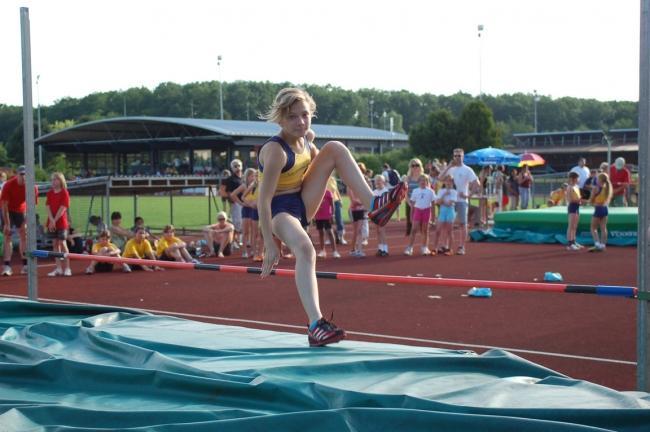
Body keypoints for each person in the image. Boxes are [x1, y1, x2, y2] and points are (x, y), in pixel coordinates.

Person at [256, 87, 406, 347]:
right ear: (280, 119)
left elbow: (317, 166)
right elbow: (263, 200)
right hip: (280, 210)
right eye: (292, 117)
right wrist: (270, 242)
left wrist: (327, 178)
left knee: (335, 147)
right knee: (306, 250)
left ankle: (375, 205)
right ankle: (316, 324)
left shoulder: (307, 138)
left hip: (302, 200)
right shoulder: (276, 152)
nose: (301, 122)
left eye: (305, 115)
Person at [440, 149, 479, 255]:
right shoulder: (450, 169)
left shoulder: (467, 170)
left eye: (459, 156)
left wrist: (468, 195)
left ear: (463, 157)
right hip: (449, 201)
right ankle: (445, 246)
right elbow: (440, 178)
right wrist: (448, 166)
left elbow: (477, 183)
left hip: (461, 200)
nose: (457, 157)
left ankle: (462, 247)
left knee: (462, 224)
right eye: (455, 156)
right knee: (447, 224)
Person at [1, 166, 38, 276]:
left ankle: (25, 265)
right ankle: (7, 266)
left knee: (24, 235)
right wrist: (7, 224)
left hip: (21, 210)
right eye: (21, 174)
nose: (24, 176)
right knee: (8, 235)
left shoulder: (32, 187)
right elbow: (4, 207)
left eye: (26, 174)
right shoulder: (8, 185)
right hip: (8, 210)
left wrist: (25, 223)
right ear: (16, 175)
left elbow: (32, 208)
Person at [45, 172, 72, 277]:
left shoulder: (65, 193)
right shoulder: (50, 193)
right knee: (55, 244)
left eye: (56, 179)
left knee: (62, 243)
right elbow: (47, 206)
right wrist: (51, 220)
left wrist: (54, 220)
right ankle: (58, 268)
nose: (53, 182)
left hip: (61, 223)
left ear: (61, 181)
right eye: (52, 180)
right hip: (51, 223)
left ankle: (67, 268)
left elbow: (63, 208)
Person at [404, 174, 436, 256]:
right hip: (417, 211)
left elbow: (433, 204)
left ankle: (424, 248)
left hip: (427, 211)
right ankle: (409, 248)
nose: (423, 182)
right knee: (414, 230)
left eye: (424, 180)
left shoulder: (431, 191)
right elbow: (412, 204)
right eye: (421, 180)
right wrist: (411, 216)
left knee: (425, 230)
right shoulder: (415, 191)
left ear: (427, 182)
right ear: (418, 182)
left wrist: (433, 217)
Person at [231, 168, 257, 258]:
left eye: (254, 176)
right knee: (245, 231)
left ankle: (254, 251)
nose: (253, 178)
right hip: (246, 210)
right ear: (247, 177)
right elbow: (233, 194)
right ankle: (245, 251)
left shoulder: (256, 185)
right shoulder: (244, 186)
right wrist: (241, 203)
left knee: (254, 232)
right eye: (251, 176)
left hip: (254, 209)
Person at [314, 183, 340, 259]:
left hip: (327, 216)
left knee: (330, 232)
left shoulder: (328, 192)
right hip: (318, 216)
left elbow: (332, 205)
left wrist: (333, 215)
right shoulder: (315, 194)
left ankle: (335, 251)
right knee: (320, 232)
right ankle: (322, 251)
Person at [588, 173, 613, 252]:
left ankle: (597, 244)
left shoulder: (596, 188)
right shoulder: (607, 188)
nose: (596, 180)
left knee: (593, 228)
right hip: (605, 209)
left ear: (600, 180)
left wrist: (590, 202)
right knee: (603, 228)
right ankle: (603, 245)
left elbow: (591, 200)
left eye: (597, 179)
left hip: (598, 209)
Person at [433, 175, 457, 256]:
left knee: (449, 231)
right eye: (447, 180)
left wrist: (442, 201)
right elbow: (438, 202)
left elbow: (450, 203)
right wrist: (444, 195)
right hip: (442, 212)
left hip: (450, 212)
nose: (448, 182)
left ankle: (450, 249)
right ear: (444, 182)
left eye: (450, 181)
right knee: (438, 230)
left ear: (452, 182)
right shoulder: (441, 191)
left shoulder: (454, 192)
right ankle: (435, 248)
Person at [225, 159, 244, 246]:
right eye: (235, 166)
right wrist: (233, 201)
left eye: (239, 165)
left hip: (245, 203)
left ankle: (239, 240)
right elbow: (228, 193)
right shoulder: (231, 179)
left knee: (243, 222)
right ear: (232, 168)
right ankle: (234, 240)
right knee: (237, 222)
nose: (237, 168)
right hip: (236, 203)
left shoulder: (243, 178)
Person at [347, 177, 367, 258]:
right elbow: (354, 201)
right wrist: (363, 202)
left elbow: (365, 198)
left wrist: (363, 202)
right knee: (356, 231)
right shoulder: (350, 187)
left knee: (359, 230)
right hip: (353, 211)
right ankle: (353, 249)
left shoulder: (361, 186)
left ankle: (359, 250)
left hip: (361, 211)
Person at [404, 158, 424, 236]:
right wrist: (409, 202)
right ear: (410, 167)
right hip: (410, 202)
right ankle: (409, 244)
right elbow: (405, 192)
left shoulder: (424, 177)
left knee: (422, 224)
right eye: (413, 165)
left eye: (417, 165)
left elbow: (427, 190)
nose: (415, 167)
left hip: (421, 203)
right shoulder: (407, 178)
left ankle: (423, 244)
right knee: (409, 223)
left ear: (420, 166)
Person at [373, 174, 390, 256]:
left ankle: (385, 250)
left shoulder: (386, 191)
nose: (378, 181)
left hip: (383, 214)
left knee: (382, 231)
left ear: (383, 181)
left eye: (380, 180)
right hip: (376, 214)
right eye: (377, 180)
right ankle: (380, 248)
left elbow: (387, 204)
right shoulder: (374, 192)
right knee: (377, 231)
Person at [327, 175, 347, 245]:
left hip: (336, 201)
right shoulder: (321, 178)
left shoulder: (332, 179)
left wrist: (340, 200)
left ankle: (341, 238)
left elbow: (336, 191)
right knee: (328, 220)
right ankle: (329, 238)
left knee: (339, 219)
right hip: (327, 202)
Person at [565, 172, 582, 251]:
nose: (578, 179)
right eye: (577, 178)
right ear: (573, 178)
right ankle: (569, 244)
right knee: (571, 225)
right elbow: (569, 199)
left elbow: (578, 197)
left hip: (577, 206)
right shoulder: (569, 187)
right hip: (572, 207)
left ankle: (574, 241)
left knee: (575, 225)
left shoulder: (576, 187)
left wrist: (580, 200)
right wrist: (578, 200)